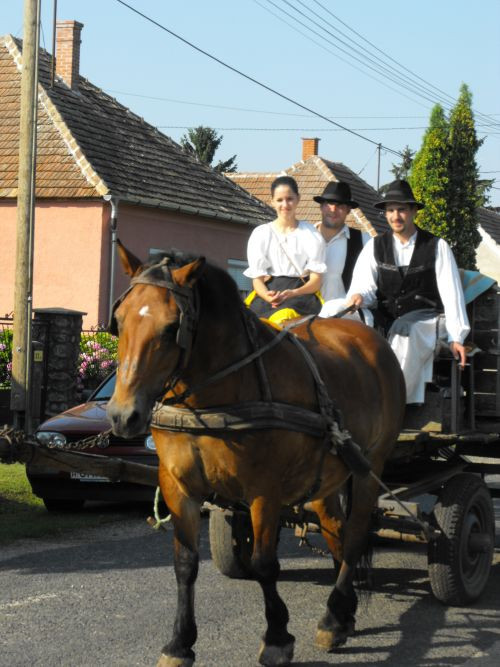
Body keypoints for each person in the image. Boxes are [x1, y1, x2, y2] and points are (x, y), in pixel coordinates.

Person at [345, 179, 470, 404]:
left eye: (401, 209)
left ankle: (392, 402)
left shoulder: (436, 246)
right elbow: (364, 285)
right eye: (390, 210)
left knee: (404, 330)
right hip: (388, 316)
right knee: (339, 312)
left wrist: (456, 337)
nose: (396, 216)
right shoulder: (375, 246)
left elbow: (452, 295)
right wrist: (358, 296)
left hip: (429, 318)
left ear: (413, 211)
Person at [244, 175, 326, 324]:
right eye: (280, 200)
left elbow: (316, 281)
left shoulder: (311, 234)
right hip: (268, 293)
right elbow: (257, 279)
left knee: (284, 318)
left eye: (290, 199)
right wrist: (267, 295)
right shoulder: (261, 233)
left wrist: (294, 293)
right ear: (272, 202)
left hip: (301, 294)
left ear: (298, 199)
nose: (285, 204)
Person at [311, 181, 371, 318]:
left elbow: (370, 282)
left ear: (348, 210)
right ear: (321, 206)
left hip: (345, 317)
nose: (333, 209)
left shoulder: (363, 241)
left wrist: (360, 296)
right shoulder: (304, 237)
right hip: (305, 316)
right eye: (329, 203)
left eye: (340, 205)